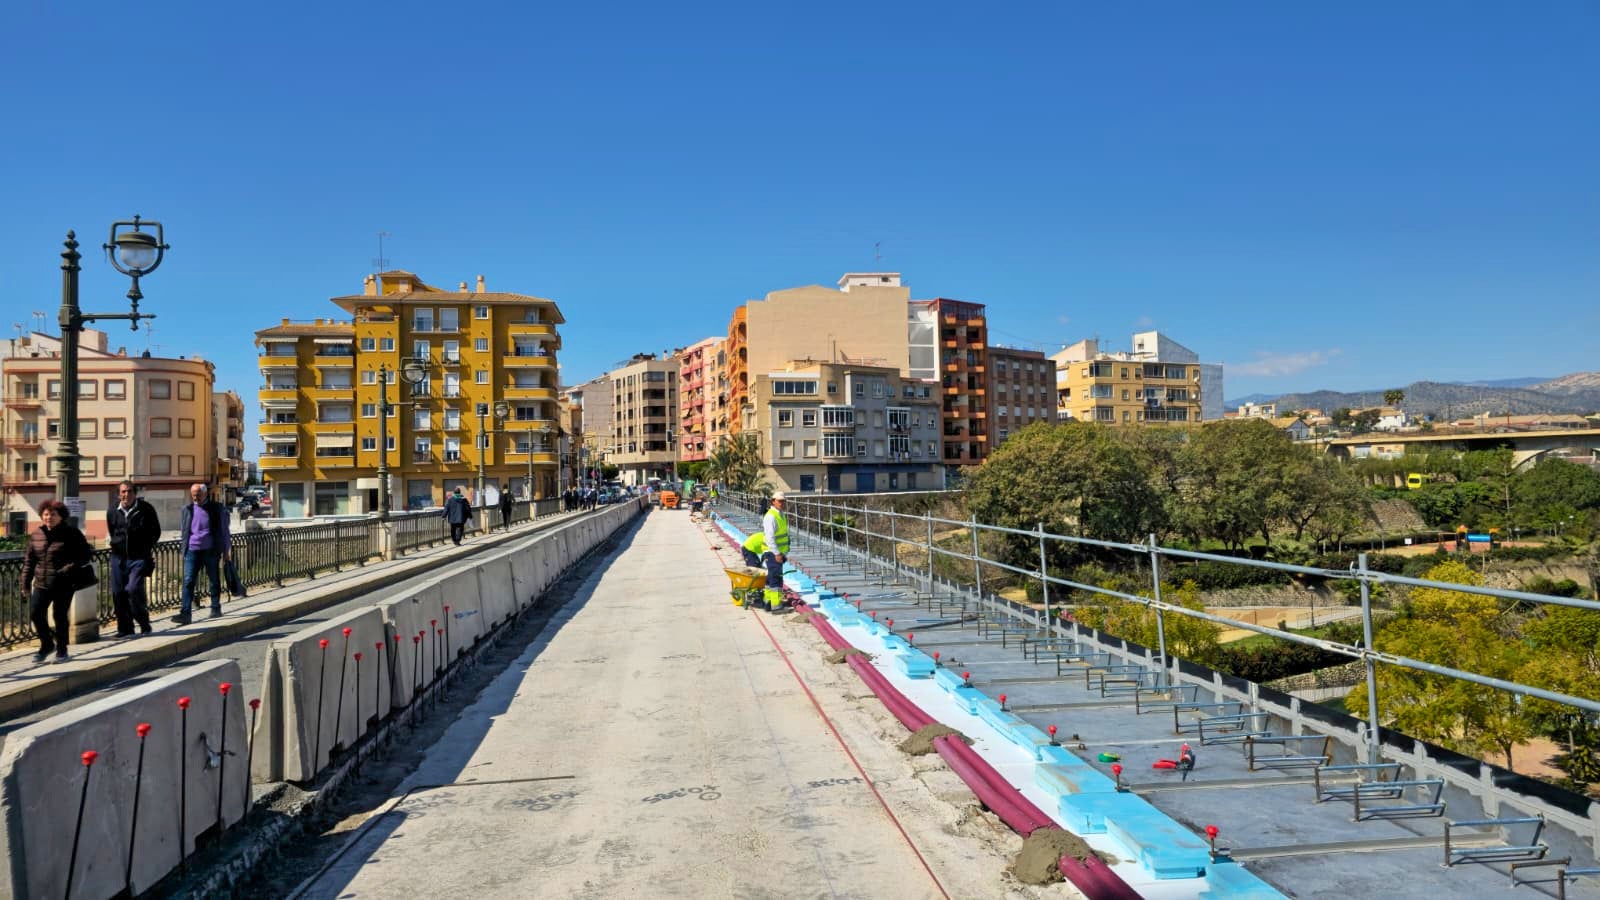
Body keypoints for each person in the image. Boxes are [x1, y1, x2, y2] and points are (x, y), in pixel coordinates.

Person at [21, 499, 93, 662]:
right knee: (35, 613)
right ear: (42, 516)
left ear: (61, 516)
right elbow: (29, 562)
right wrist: (25, 583)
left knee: (59, 615)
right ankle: (47, 644)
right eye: (46, 514)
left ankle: (62, 649)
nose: (49, 517)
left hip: (64, 583)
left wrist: (68, 568)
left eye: (53, 514)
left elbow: (85, 555)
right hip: (41, 583)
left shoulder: (72, 533)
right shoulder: (36, 534)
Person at [107, 480, 161, 636]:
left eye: (130, 491)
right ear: (119, 494)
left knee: (132, 589)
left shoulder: (146, 509)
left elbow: (156, 532)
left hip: (138, 558)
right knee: (118, 593)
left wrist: (144, 548)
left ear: (135, 493)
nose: (126, 494)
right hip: (118, 558)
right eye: (123, 492)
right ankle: (125, 628)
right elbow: (112, 531)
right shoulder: (112, 511)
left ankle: (144, 623)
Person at [174, 483, 230, 625]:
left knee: (213, 580)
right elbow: (184, 530)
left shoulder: (216, 508)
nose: (195, 498)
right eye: (193, 495)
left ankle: (215, 607)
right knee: (188, 581)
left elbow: (224, 531)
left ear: (205, 494)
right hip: (192, 550)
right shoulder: (187, 509)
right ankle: (185, 613)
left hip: (210, 550)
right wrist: (184, 550)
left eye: (198, 495)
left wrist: (226, 551)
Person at [740, 492, 790, 612]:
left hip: (777, 552)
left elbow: (782, 535)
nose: (782, 503)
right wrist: (777, 553)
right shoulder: (771, 516)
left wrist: (784, 552)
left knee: (770, 578)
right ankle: (776, 606)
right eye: (779, 501)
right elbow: (770, 538)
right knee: (776, 579)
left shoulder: (781, 515)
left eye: (783, 501)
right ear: (773, 501)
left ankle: (767, 602)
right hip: (773, 552)